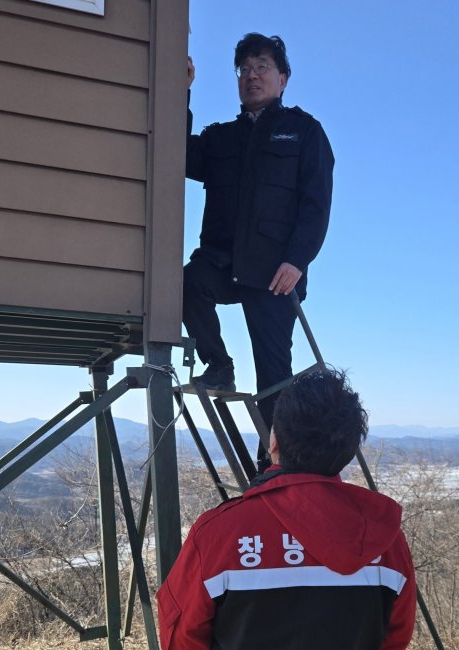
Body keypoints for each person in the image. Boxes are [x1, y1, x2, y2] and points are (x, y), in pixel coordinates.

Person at [156, 369, 417, 650]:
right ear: (348, 452)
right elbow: (391, 645)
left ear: (274, 441)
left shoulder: (218, 533)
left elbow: (181, 648)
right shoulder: (385, 538)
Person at [183, 33, 335, 445]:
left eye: (262, 67)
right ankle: (219, 365)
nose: (251, 75)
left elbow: (316, 204)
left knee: (273, 377)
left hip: (274, 272)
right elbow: (178, 154)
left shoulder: (304, 132)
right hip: (222, 261)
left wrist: (297, 260)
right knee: (186, 283)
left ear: (283, 79)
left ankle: (274, 463)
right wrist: (182, 92)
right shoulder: (221, 137)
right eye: (244, 69)